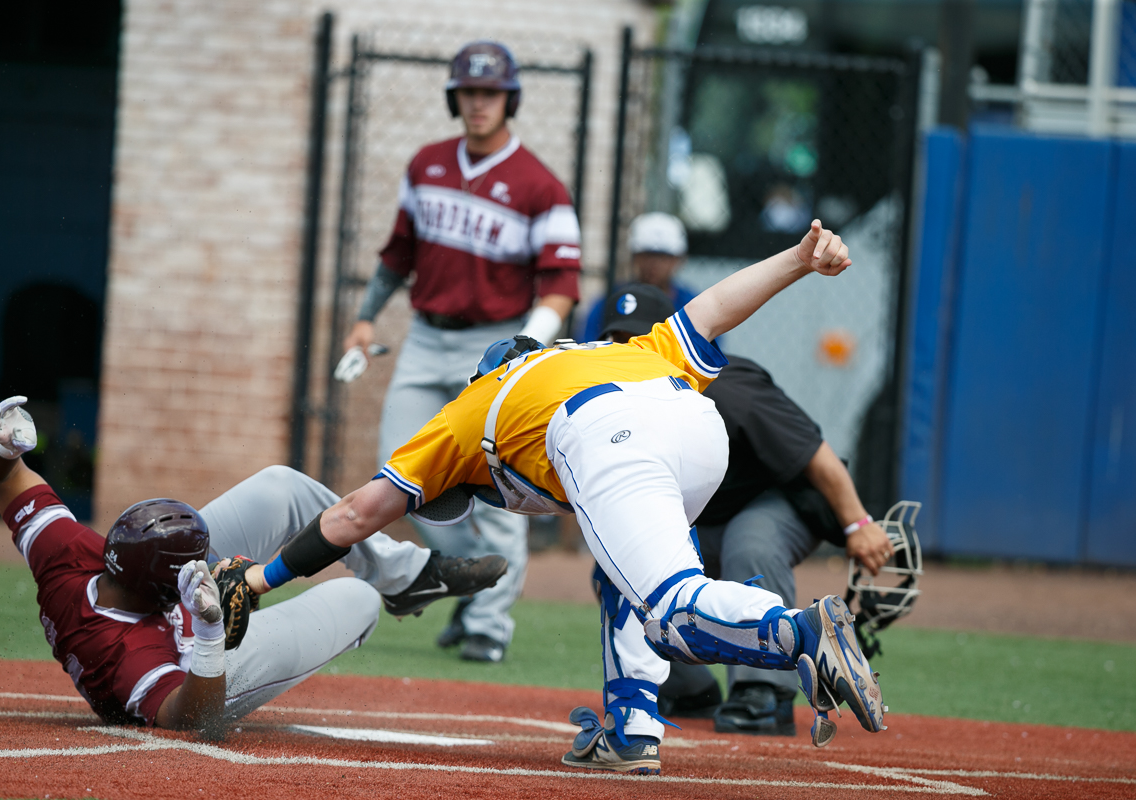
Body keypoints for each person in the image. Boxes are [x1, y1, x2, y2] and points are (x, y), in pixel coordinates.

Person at [241, 220, 888, 775]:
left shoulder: (469, 409)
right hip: (694, 433)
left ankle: (798, 632)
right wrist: (799, 260)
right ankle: (634, 727)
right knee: (627, 579)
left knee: (668, 609)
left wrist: (259, 580)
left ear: (485, 374)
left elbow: (355, 514)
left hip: (607, 435)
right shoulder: (619, 350)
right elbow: (717, 306)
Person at [0, 396, 506, 735]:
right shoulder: (128, 658)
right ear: (170, 592)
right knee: (358, 599)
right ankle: (379, 590)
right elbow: (192, 717)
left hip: (156, 606)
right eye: (199, 564)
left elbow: (2, 478)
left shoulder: (73, 554)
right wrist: (209, 635)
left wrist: (0, 445)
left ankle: (408, 577)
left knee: (281, 485)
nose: (217, 560)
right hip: (191, 671)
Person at [340, 40, 581, 664]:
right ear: (455, 97)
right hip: (425, 335)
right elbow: (397, 254)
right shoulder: (426, 164)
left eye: (491, 93)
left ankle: (489, 625)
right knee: (398, 465)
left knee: (498, 479)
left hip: (494, 341)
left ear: (509, 100)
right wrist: (365, 318)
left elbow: (562, 284)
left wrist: (528, 346)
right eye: (470, 92)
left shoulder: (541, 185)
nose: (479, 103)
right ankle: (467, 577)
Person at [598, 285, 894, 737]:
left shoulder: (727, 385)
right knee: (619, 571)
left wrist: (858, 523)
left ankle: (764, 694)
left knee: (748, 542)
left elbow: (817, 453)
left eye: (634, 339)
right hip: (709, 516)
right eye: (615, 341)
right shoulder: (603, 403)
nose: (625, 350)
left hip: (780, 500)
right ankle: (690, 686)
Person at [580, 213, 697, 343]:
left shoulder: (692, 305)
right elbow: (587, 346)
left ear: (677, 260)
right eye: (647, 255)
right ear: (634, 257)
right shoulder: (609, 301)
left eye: (663, 256)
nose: (654, 264)